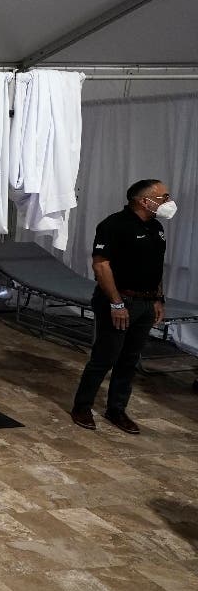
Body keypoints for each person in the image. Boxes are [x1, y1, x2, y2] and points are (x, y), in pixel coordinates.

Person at [70, 179, 175, 435]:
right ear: (143, 200)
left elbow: (155, 267)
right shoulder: (114, 225)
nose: (168, 202)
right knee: (105, 356)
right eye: (163, 197)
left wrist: (158, 299)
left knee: (129, 359)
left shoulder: (156, 228)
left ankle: (116, 409)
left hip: (145, 302)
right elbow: (101, 266)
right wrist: (116, 303)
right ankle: (82, 406)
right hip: (118, 301)